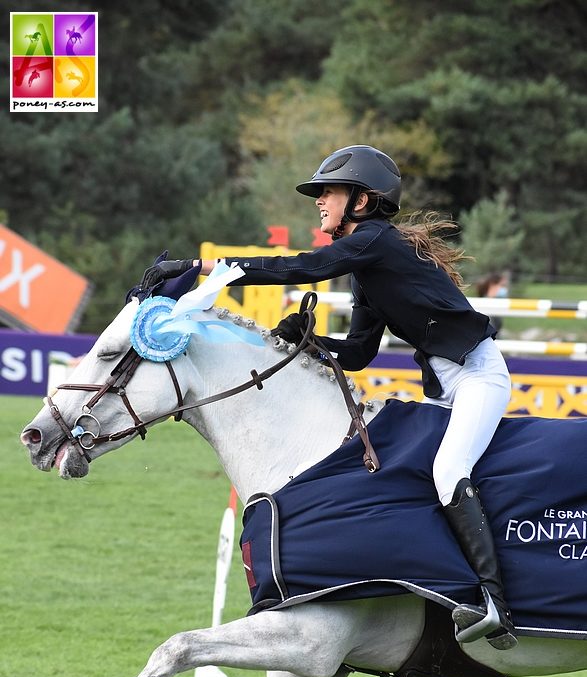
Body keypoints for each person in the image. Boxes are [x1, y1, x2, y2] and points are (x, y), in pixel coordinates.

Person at [141, 144, 517, 650]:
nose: (319, 202)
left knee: (449, 471)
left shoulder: (376, 243)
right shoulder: (369, 268)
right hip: (448, 386)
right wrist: (310, 341)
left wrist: (198, 265)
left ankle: (493, 603)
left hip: (479, 378)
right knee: (406, 473)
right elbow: (360, 351)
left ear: (361, 202)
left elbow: (301, 267)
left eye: (328, 193)